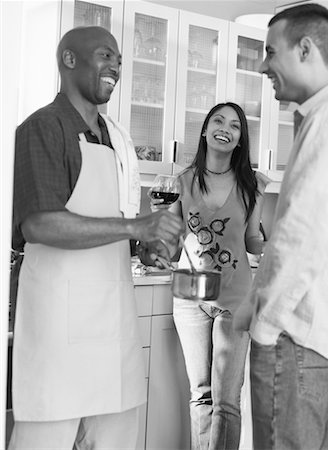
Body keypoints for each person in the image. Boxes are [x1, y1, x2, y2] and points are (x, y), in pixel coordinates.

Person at [9, 26, 183, 450]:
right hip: (59, 327)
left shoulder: (114, 137)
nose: (116, 68)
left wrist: (145, 245)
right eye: (106, 56)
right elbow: (39, 226)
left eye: (120, 61)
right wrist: (134, 228)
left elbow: (109, 220)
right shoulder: (42, 128)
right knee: (45, 438)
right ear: (69, 60)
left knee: (115, 437)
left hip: (112, 321)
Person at [233, 4, 328, 450]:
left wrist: (266, 327)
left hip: (297, 338)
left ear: (305, 49)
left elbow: (304, 233)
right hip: (320, 340)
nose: (264, 64)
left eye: (271, 51)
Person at [151, 102, 270, 450]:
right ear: (205, 130)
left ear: (239, 139)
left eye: (235, 125)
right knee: (201, 394)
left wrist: (276, 245)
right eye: (218, 120)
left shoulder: (252, 185)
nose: (225, 128)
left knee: (227, 401)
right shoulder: (182, 182)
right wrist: (158, 226)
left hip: (234, 299)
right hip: (190, 297)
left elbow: (251, 240)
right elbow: (171, 246)